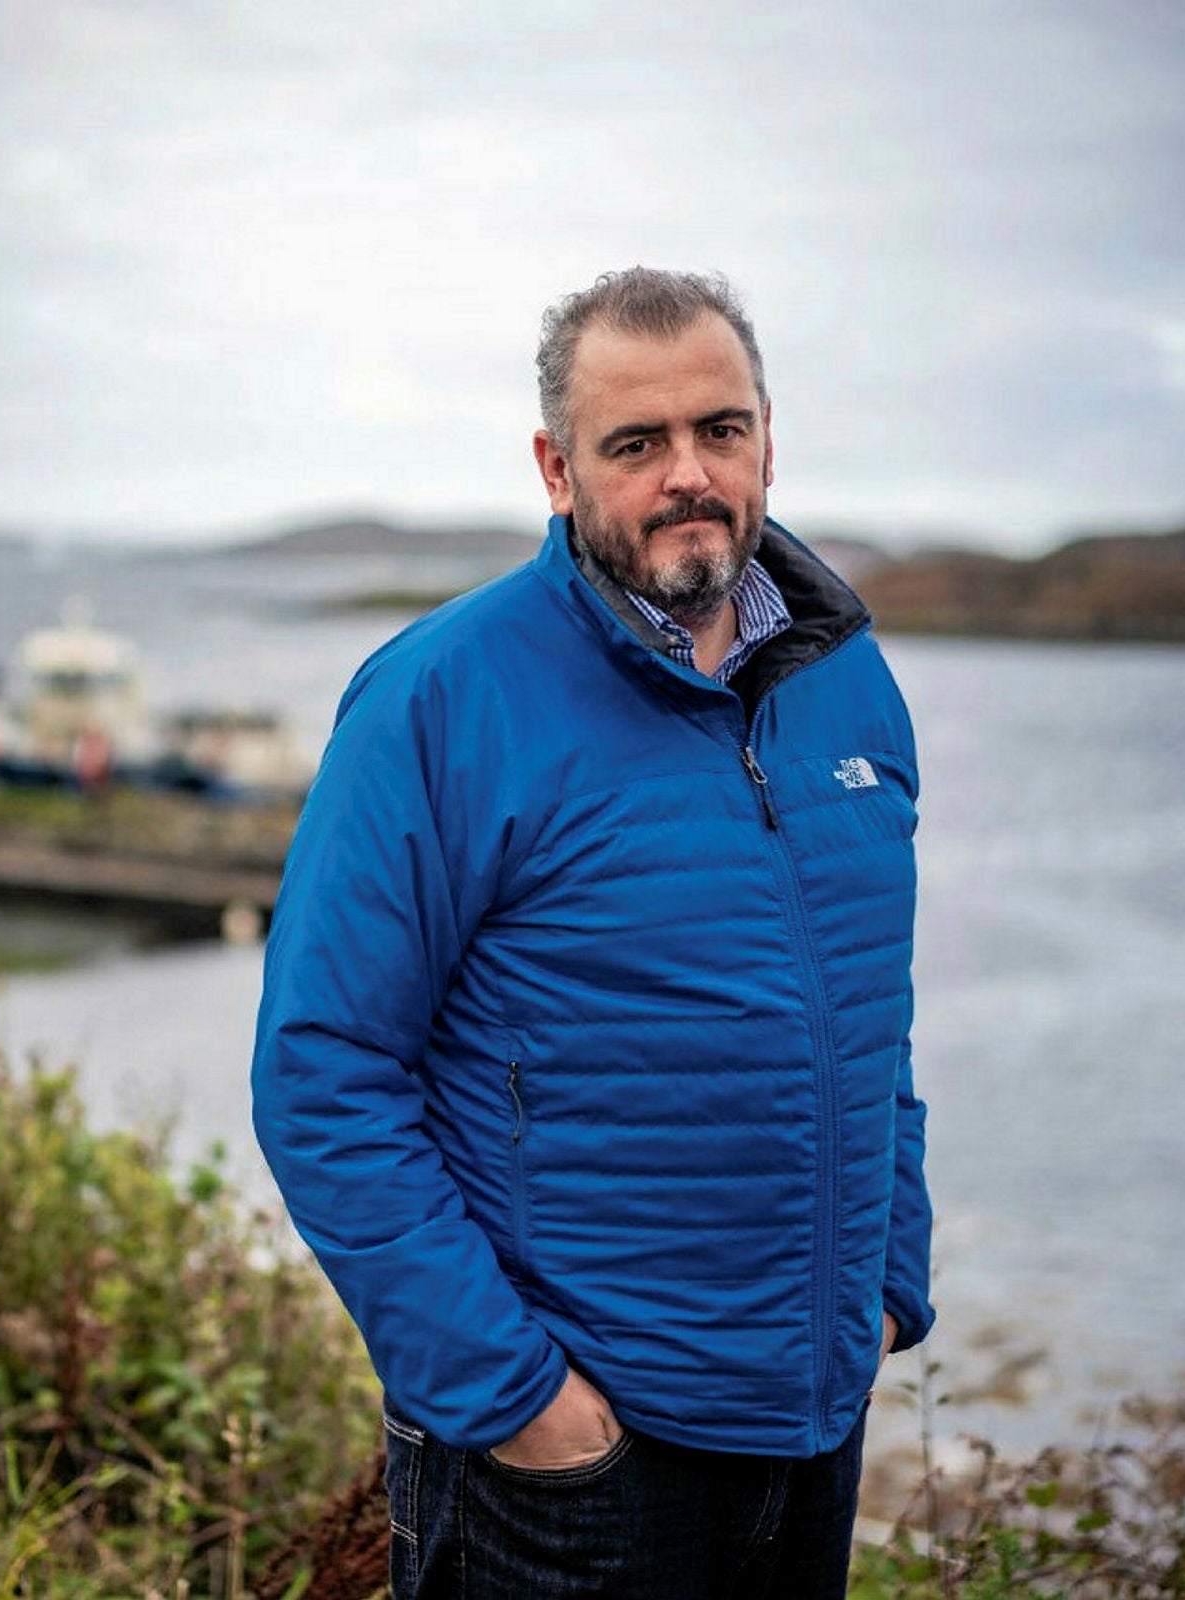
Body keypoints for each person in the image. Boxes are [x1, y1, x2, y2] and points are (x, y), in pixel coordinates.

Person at [250, 267, 934, 1599]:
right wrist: (519, 1404)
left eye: (721, 430)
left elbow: (867, 1019)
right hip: (572, 1466)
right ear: (558, 471)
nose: (690, 473)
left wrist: (888, 1284)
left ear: (769, 441)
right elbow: (322, 1071)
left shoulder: (849, 682)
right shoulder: (442, 698)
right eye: (637, 443)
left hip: (811, 1427)